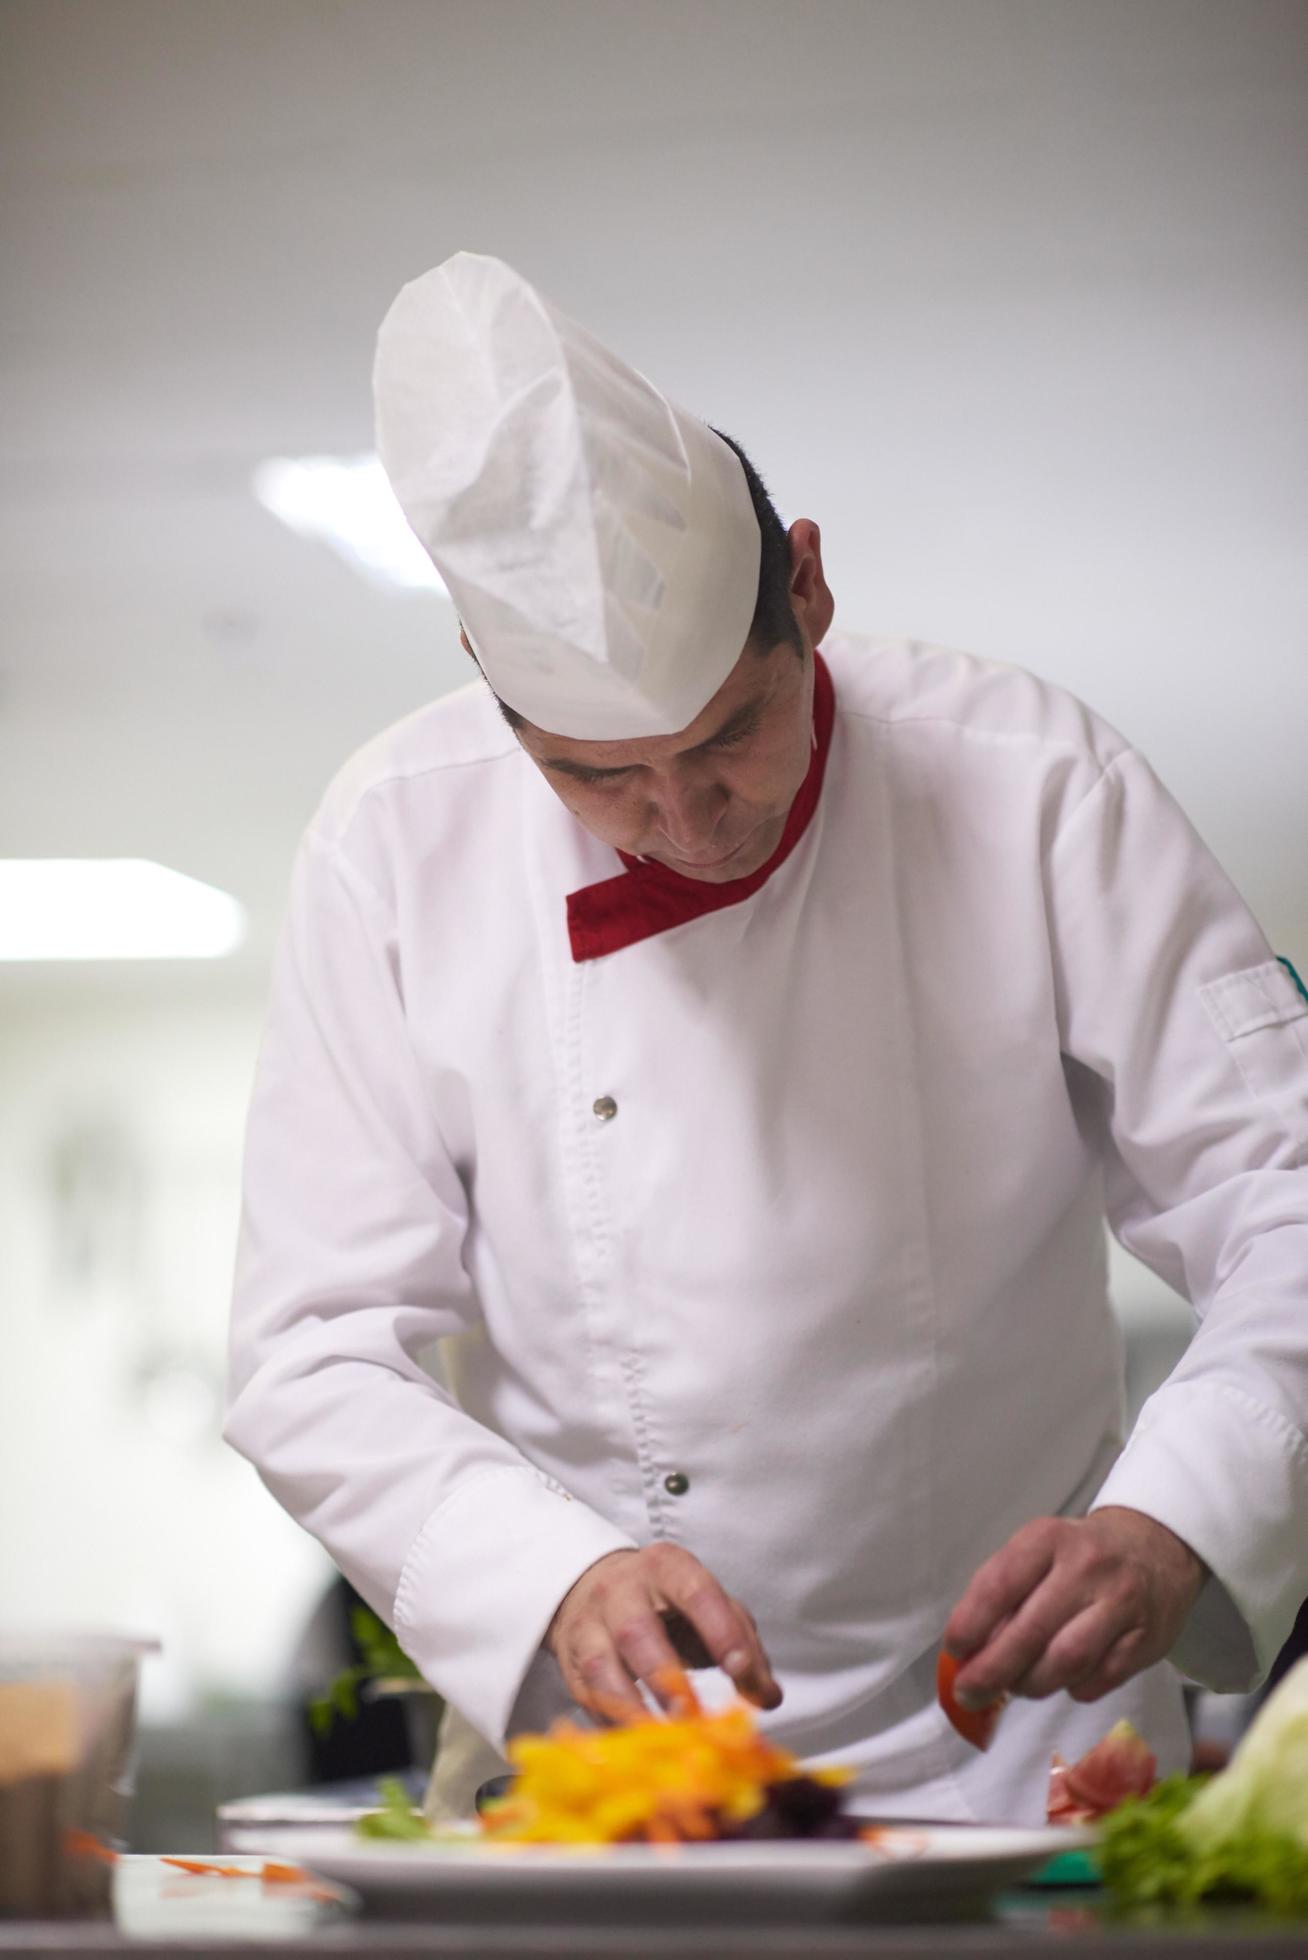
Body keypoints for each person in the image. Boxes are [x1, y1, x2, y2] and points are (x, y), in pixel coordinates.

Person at [224, 252, 1308, 1825]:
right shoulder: (389, 847)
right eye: (596, 777)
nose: (680, 820)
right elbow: (310, 1349)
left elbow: (1284, 1198)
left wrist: (1178, 1516)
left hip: (1023, 1745)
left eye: (730, 734)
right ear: (485, 687)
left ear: (806, 585)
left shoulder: (1038, 785)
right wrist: (556, 1573)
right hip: (615, 1756)